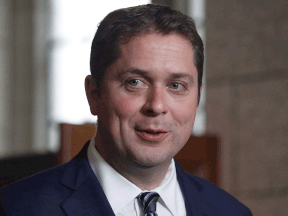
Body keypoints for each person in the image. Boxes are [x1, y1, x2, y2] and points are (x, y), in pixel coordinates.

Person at [0, 4, 252, 216]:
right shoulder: (17, 207)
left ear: (197, 96)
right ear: (94, 94)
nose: (157, 106)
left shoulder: (231, 211)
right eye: (135, 82)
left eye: (176, 85)